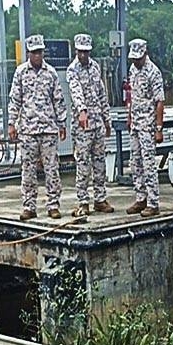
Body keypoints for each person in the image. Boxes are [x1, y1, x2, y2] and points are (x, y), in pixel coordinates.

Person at [8, 34, 67, 221]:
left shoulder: (51, 73)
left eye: (40, 52)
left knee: (52, 168)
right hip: (28, 130)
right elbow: (15, 99)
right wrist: (11, 123)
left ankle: (53, 205)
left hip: (48, 129)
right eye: (34, 53)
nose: (37, 56)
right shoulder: (20, 73)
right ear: (28, 53)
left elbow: (58, 99)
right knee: (28, 169)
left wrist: (62, 123)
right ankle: (29, 206)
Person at [65, 33, 114, 218]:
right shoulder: (72, 70)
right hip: (82, 126)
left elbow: (102, 93)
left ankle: (100, 199)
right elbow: (75, 91)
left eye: (86, 52)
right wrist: (82, 110)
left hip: (97, 123)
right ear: (76, 51)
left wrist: (106, 119)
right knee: (83, 164)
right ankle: (83, 201)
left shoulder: (95, 67)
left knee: (99, 163)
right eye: (80, 52)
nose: (84, 55)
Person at [125, 38, 165, 218]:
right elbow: (132, 96)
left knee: (149, 164)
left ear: (145, 54)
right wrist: (129, 116)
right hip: (135, 124)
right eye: (133, 59)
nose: (135, 62)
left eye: (138, 58)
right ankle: (140, 197)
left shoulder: (153, 72)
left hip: (148, 125)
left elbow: (160, 101)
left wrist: (158, 128)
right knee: (135, 163)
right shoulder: (133, 70)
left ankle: (153, 202)